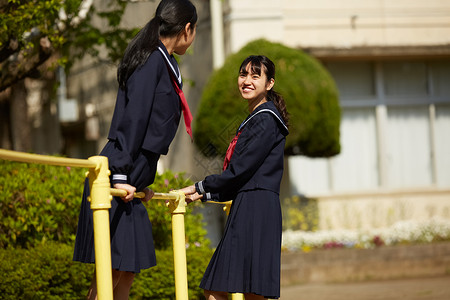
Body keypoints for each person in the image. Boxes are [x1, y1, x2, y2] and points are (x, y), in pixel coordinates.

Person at [73, 0, 197, 299]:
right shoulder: (151, 60)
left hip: (133, 177)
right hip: (117, 171)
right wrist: (120, 177)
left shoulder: (166, 63)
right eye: (195, 31)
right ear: (187, 29)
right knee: (109, 272)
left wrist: (142, 183)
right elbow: (135, 119)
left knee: (127, 270)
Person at [181, 55, 289, 300]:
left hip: (255, 207)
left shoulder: (264, 119)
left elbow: (239, 171)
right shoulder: (259, 118)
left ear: (269, 84)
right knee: (248, 291)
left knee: (220, 287)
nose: (246, 81)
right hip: (254, 205)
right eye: (243, 75)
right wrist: (203, 192)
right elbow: (241, 176)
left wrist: (201, 185)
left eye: (255, 75)